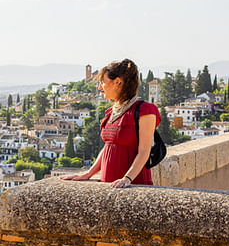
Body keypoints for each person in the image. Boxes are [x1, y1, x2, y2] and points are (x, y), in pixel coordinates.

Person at [61, 59, 160, 188]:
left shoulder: (145, 110)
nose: (99, 87)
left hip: (133, 184)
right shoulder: (110, 112)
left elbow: (144, 151)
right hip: (108, 183)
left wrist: (127, 178)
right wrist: (88, 174)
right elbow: (108, 146)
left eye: (103, 82)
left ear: (117, 82)